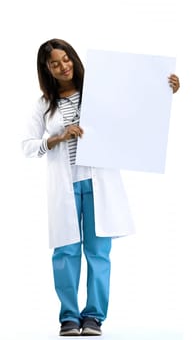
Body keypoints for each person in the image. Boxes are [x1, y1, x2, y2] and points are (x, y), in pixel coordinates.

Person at [22, 38, 180, 336]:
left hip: (98, 185)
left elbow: (137, 105)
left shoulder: (97, 92)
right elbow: (27, 145)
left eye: (65, 58)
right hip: (66, 187)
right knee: (65, 253)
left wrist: (165, 89)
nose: (62, 66)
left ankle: (93, 316)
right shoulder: (43, 105)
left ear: (73, 58)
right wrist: (56, 138)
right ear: (47, 70)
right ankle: (69, 316)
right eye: (54, 63)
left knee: (98, 252)